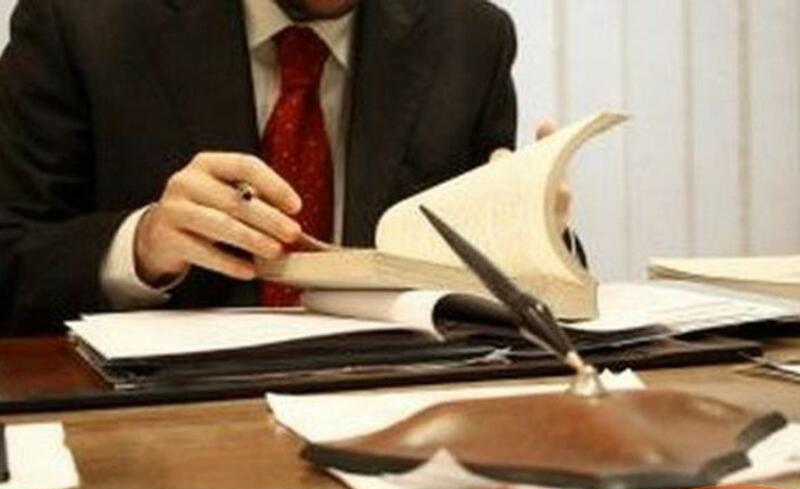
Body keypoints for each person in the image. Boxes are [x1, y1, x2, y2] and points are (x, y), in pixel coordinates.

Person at [0, 0, 578, 335]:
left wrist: (532, 239)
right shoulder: (82, 20)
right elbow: (12, 257)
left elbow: (501, 307)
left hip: (391, 411)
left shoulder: (469, 37)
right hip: (154, 428)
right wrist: (141, 246)